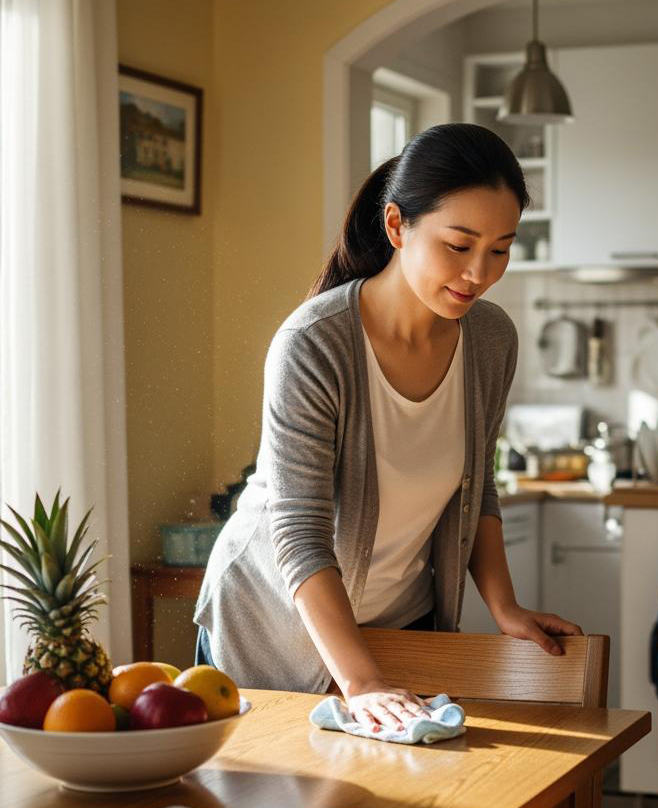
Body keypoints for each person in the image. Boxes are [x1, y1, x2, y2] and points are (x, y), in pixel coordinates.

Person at [193, 123, 583, 735]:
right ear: (397, 226)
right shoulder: (314, 344)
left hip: (400, 625)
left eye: (501, 249)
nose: (479, 273)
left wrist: (504, 608)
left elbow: (473, 484)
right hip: (279, 634)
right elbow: (297, 532)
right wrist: (361, 681)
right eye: (459, 246)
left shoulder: (490, 339)